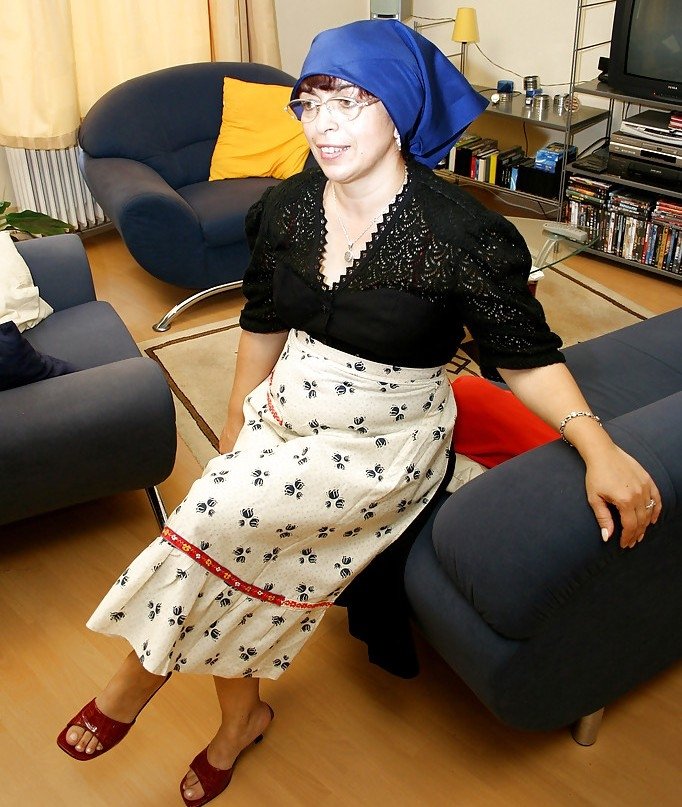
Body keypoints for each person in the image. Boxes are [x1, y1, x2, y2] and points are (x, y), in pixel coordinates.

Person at [56, 19, 661, 806]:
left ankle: (135, 675)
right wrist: (238, 416)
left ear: (400, 109)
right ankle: (241, 719)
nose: (323, 124)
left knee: (209, 518)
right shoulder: (287, 207)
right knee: (233, 534)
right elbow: (264, 316)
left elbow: (524, 355)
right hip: (287, 408)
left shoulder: (464, 235)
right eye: (309, 103)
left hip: (386, 440)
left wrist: (596, 444)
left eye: (349, 101)